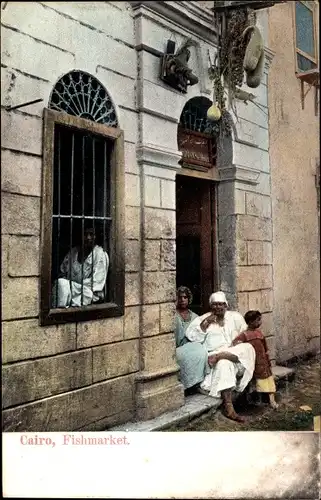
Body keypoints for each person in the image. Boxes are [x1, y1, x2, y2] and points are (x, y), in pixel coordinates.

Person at [185, 291, 256, 422]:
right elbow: (192, 337)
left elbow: (246, 333)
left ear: (226, 306)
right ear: (211, 306)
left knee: (248, 347)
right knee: (224, 363)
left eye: (221, 304)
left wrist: (239, 341)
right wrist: (205, 324)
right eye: (215, 305)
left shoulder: (235, 317)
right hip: (214, 356)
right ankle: (229, 408)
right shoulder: (203, 319)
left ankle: (223, 355)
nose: (218, 307)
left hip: (234, 352)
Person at [232, 310, 278, 409]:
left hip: (263, 361)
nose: (260, 322)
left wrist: (267, 356)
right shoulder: (245, 334)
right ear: (251, 322)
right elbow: (236, 342)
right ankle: (257, 400)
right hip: (254, 362)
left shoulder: (259, 333)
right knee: (257, 381)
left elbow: (265, 346)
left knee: (268, 379)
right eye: (258, 320)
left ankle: (272, 400)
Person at [52, 227, 109, 308]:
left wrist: (71, 283)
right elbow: (62, 272)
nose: (88, 237)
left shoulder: (100, 254)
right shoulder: (74, 251)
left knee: (63, 284)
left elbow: (96, 283)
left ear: (97, 237)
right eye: (85, 234)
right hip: (71, 289)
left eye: (91, 234)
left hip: (88, 293)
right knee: (61, 284)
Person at [175, 286, 209, 394]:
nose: (182, 300)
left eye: (185, 297)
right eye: (180, 297)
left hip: (192, 347)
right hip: (178, 348)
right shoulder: (172, 315)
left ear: (189, 299)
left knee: (201, 351)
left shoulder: (195, 317)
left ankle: (196, 383)